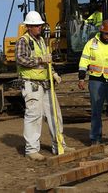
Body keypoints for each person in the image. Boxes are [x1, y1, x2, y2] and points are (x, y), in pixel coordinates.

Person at [16, 10, 66, 161]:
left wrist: (54, 73)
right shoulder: (23, 41)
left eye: (40, 25)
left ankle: (59, 145)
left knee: (55, 115)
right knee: (34, 116)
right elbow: (20, 59)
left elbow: (47, 62)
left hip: (45, 82)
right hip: (32, 84)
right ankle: (32, 150)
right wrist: (40, 60)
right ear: (29, 26)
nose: (40, 28)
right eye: (36, 26)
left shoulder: (41, 41)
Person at [77, 19, 108, 147]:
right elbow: (84, 61)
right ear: (101, 31)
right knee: (96, 110)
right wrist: (81, 77)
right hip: (96, 80)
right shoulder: (91, 43)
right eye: (106, 33)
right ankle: (95, 138)